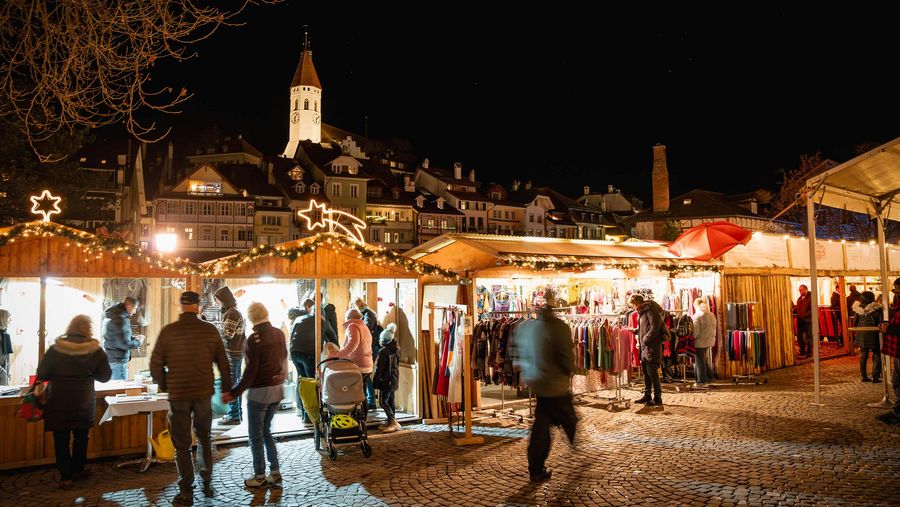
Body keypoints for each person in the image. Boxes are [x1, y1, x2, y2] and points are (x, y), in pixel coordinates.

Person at [150, 291, 231, 505]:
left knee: (181, 445)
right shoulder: (209, 331)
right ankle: (207, 482)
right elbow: (223, 363)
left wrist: (166, 384)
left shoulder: (169, 332)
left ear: (181, 306)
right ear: (198, 307)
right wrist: (227, 388)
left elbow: (155, 365)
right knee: (204, 437)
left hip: (178, 395)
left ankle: (186, 489)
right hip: (203, 393)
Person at [36, 315, 112, 489]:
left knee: (60, 438)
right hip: (83, 400)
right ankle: (78, 469)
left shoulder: (56, 349)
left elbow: (43, 373)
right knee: (81, 436)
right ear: (88, 329)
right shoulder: (96, 350)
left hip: (58, 400)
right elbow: (105, 377)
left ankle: (66, 476)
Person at [514, 288, 576, 483]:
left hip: (537, 381)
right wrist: (568, 371)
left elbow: (519, 352)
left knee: (544, 420)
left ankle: (536, 466)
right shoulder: (559, 327)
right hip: (554, 382)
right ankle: (539, 466)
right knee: (562, 419)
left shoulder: (527, 327)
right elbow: (565, 355)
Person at [224, 303, 286, 489]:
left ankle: (259, 475)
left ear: (250, 318)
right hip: (277, 390)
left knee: (256, 435)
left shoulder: (253, 339)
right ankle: (275, 472)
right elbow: (284, 356)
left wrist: (234, 392)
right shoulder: (279, 333)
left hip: (259, 393)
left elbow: (250, 372)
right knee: (267, 431)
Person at [289, 300, 339, 422]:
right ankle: (309, 416)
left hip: (295, 352)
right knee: (311, 383)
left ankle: (301, 410)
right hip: (308, 354)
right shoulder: (322, 321)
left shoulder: (299, 318)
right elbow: (333, 339)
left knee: (301, 380)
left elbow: (292, 336)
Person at [215, 286, 245, 425]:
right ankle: (237, 414)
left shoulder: (232, 313)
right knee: (235, 382)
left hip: (233, 354)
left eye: (217, 300)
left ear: (223, 300)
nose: (216, 303)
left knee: (232, 383)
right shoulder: (231, 311)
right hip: (235, 353)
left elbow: (227, 334)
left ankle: (234, 415)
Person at [334, 309, 374, 411]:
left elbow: (352, 345)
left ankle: (359, 418)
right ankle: (362, 419)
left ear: (348, 317)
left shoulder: (352, 326)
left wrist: (337, 355)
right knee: (362, 393)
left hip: (358, 365)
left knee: (357, 394)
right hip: (367, 364)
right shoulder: (363, 326)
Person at [632, 294, 664, 406]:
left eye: (633, 305)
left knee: (652, 373)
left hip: (652, 346)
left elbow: (655, 327)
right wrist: (635, 331)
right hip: (645, 346)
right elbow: (644, 327)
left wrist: (645, 339)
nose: (633, 308)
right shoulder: (642, 312)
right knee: (646, 372)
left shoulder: (650, 310)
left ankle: (658, 397)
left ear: (637, 303)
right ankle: (647, 395)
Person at [876, 277, 900, 427]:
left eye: (897, 289)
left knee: (898, 381)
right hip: (898, 351)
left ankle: (897, 414)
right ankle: (897, 413)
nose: (895, 292)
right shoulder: (897, 306)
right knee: (897, 381)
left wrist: (889, 328)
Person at [102, 296, 143, 380]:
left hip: (110, 359)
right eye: (134, 308)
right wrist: (139, 342)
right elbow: (124, 344)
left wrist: (132, 338)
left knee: (112, 389)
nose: (135, 311)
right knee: (119, 390)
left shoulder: (111, 315)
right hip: (118, 362)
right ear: (129, 306)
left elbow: (117, 338)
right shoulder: (121, 320)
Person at [353, 297, 381, 408]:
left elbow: (366, 330)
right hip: (370, 347)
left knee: (366, 373)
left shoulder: (368, 315)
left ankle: (370, 400)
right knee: (365, 374)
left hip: (371, 347)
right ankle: (369, 400)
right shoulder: (368, 313)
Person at [373, 323, 401, 433]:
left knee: (383, 402)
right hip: (393, 379)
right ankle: (391, 421)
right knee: (391, 401)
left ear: (383, 341)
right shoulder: (396, 349)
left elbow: (378, 369)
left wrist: (375, 382)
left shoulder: (383, 352)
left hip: (385, 380)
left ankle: (393, 422)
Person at [852, 291, 882, 383]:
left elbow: (855, 322)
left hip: (862, 333)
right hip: (873, 332)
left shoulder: (858, 309)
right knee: (876, 353)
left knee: (863, 355)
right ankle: (875, 376)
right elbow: (880, 321)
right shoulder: (877, 308)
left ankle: (863, 376)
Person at [691, 297, 717, 387]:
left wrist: (692, 338)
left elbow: (695, 331)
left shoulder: (697, 316)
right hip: (709, 340)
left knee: (700, 361)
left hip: (700, 341)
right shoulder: (711, 314)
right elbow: (714, 328)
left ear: (696, 305)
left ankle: (701, 381)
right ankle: (710, 377)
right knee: (702, 359)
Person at [795, 285, 812, 358]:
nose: (800, 292)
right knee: (800, 336)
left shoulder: (811, 297)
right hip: (800, 320)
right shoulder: (799, 298)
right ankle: (802, 351)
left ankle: (809, 352)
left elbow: (812, 309)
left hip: (808, 320)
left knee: (809, 337)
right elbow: (798, 307)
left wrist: (805, 315)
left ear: (806, 289)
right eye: (799, 290)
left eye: (801, 290)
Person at [0, 309, 11, 385]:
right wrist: (3, 373)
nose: (10, 320)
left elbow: (6, 358)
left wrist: (7, 373)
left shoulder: (5, 335)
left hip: (3, 377)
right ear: (2, 319)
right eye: (8, 318)